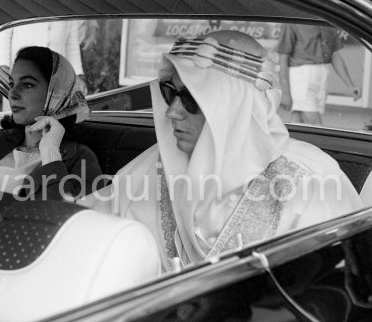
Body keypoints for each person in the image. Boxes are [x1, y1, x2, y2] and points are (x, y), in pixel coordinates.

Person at [81, 31, 363, 272]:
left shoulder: (310, 182)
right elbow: (80, 231)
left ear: (236, 105)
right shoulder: (149, 168)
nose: (172, 113)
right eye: (170, 94)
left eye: (191, 98)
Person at [0, 46, 102, 201]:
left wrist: (51, 153)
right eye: (12, 84)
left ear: (56, 92)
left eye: (27, 85)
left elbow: (66, 218)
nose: (12, 94)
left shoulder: (81, 159)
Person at [276, 23, 361, 125]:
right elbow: (283, 58)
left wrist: (350, 85)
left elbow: (335, 56)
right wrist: (285, 92)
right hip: (301, 77)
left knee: (298, 121)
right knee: (315, 123)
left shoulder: (328, 21)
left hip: (322, 74)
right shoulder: (294, 21)